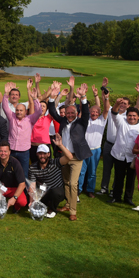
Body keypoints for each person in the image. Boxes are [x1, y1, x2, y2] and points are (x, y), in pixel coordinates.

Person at [48, 83, 92, 221]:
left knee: (73, 183)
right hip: (63, 156)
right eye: (68, 113)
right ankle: (67, 204)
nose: (70, 115)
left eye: (73, 113)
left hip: (76, 157)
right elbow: (52, 111)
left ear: (76, 113)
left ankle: (73, 211)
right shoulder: (62, 121)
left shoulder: (82, 122)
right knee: (66, 181)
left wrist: (83, 97)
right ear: (65, 114)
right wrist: (52, 97)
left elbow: (86, 111)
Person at [98, 78, 139, 195]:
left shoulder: (128, 117)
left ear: (128, 106)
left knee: (119, 171)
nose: (123, 104)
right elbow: (105, 102)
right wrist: (104, 89)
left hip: (122, 147)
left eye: (125, 103)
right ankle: (104, 188)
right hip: (109, 144)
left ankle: (114, 190)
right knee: (107, 169)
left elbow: (138, 107)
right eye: (121, 102)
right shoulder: (112, 112)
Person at [108, 99, 139, 206]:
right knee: (118, 177)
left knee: (131, 179)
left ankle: (128, 198)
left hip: (132, 157)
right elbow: (114, 112)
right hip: (119, 155)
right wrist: (117, 103)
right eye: (130, 115)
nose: (131, 117)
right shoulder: (121, 121)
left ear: (138, 117)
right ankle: (116, 197)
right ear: (126, 116)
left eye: (134, 116)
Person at [1, 81, 42, 179]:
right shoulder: (12, 117)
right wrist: (6, 94)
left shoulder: (30, 119)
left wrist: (35, 98)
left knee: (23, 173)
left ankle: (23, 192)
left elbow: (39, 111)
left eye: (21, 110)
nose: (18, 112)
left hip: (24, 151)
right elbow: (5, 106)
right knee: (8, 171)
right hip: (11, 150)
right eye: (17, 110)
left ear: (25, 111)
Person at [28, 136, 75, 219]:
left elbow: (69, 157)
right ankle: (44, 205)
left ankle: (53, 210)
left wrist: (60, 145)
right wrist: (31, 201)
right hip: (43, 192)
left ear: (49, 154)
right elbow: (32, 185)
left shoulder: (55, 162)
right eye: (40, 153)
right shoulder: (33, 167)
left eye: (44, 153)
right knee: (30, 194)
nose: (42, 156)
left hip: (56, 191)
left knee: (56, 193)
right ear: (37, 154)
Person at [78, 85, 109, 198]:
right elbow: (82, 108)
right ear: (89, 112)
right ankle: (79, 189)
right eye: (93, 111)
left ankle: (90, 190)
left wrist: (106, 98)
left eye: (96, 112)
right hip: (84, 149)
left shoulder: (102, 120)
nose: (94, 113)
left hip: (95, 150)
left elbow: (106, 109)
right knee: (81, 171)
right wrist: (82, 96)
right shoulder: (86, 120)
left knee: (92, 172)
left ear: (99, 113)